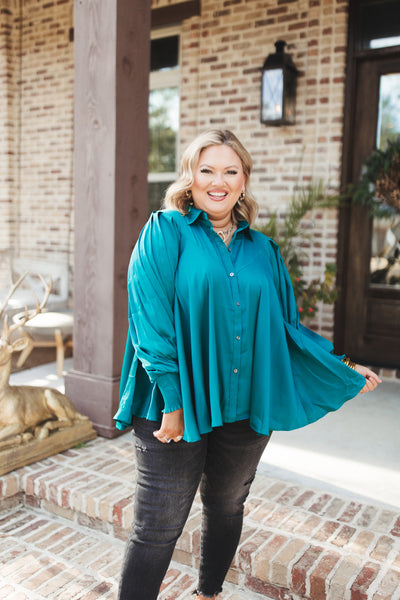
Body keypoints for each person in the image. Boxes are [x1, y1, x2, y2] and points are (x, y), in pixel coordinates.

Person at [114, 129, 381, 600]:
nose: (218, 181)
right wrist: (175, 403)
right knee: (158, 523)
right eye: (207, 170)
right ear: (190, 176)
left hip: (244, 408)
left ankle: (207, 594)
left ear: (243, 181)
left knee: (227, 505)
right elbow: (150, 322)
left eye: (230, 171)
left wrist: (341, 367)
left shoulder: (264, 250)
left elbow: (285, 329)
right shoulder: (165, 231)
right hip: (173, 408)